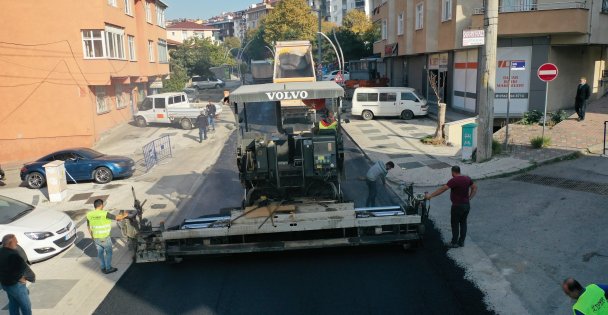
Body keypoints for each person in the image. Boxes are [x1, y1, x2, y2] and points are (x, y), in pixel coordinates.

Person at [425, 165, 477, 248]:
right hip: (467, 205)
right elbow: (474, 187)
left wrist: (431, 195)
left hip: (457, 206)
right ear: (459, 171)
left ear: (453, 172)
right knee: (463, 223)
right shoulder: (467, 178)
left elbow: (443, 189)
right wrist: (469, 198)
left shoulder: (454, 180)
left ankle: (454, 243)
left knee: (455, 224)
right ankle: (461, 242)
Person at [86, 199, 125, 274]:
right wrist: (125, 215)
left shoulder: (89, 214)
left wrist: (92, 236)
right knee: (109, 253)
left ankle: (103, 267)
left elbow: (88, 226)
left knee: (100, 253)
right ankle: (108, 268)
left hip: (96, 238)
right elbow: (118, 218)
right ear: (101, 205)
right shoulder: (105, 214)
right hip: (105, 238)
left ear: (95, 206)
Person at [0, 234, 34, 315]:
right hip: (16, 285)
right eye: (15, 241)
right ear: (9, 243)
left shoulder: (1, 251)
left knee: (13, 303)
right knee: (26, 306)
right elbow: (18, 269)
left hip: (5, 284)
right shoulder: (13, 255)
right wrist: (20, 278)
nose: (17, 242)